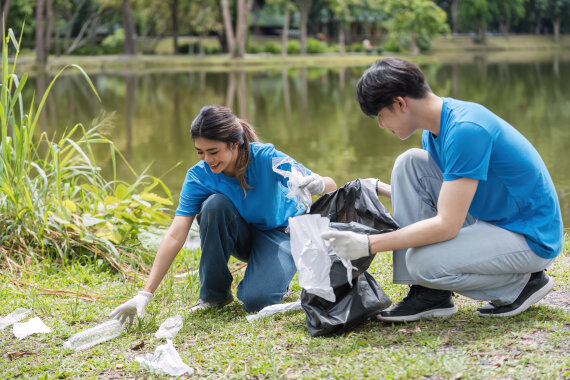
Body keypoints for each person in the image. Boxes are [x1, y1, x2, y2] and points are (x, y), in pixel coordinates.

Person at [321, 58, 563, 322]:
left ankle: (522, 285)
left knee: (422, 263)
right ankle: (429, 294)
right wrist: (376, 188)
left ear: (400, 103)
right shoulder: (435, 130)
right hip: (495, 217)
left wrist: (368, 244)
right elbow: (449, 194)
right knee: (409, 163)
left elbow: (447, 224)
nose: (381, 125)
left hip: (529, 235)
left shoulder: (465, 130)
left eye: (380, 115)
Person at [110, 105, 337, 324]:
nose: (208, 160)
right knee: (213, 206)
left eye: (213, 152)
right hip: (243, 235)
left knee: (258, 301)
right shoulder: (198, 177)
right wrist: (145, 293)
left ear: (234, 144)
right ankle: (214, 295)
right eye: (200, 152)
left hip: (281, 233)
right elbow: (175, 235)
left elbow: (330, 184)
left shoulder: (266, 158)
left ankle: (276, 275)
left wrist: (317, 183)